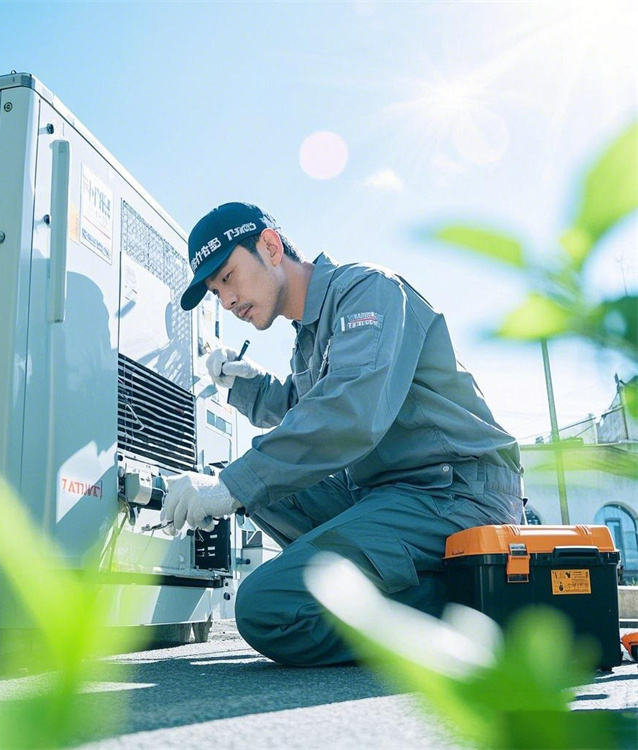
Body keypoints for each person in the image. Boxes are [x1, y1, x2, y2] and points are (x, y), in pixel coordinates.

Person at [162, 201, 524, 667]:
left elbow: (348, 412)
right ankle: (399, 584)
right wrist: (246, 385)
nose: (227, 301)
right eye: (216, 292)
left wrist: (229, 487)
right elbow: (305, 406)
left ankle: (470, 608)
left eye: (228, 277)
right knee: (262, 489)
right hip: (389, 494)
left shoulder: (368, 291)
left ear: (270, 246)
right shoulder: (309, 338)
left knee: (268, 607)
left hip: (456, 493)